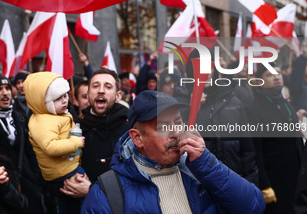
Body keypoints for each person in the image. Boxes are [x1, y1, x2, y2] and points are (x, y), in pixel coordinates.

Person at [81, 90, 266, 213]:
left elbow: (254, 207)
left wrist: (207, 163)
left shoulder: (199, 171)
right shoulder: (107, 192)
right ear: (137, 138)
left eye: (178, 122)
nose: (176, 132)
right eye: (163, 126)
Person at [0, 72, 44, 214]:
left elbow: (30, 151)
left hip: (27, 184)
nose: (5, 93)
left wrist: (35, 177)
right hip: (0, 185)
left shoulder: (19, 116)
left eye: (7, 88)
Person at [23, 72, 85, 214]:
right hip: (65, 171)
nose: (64, 101)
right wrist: (75, 142)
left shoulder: (54, 115)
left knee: (67, 204)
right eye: (57, 98)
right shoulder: (43, 121)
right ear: (42, 102)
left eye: (65, 96)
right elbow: (50, 147)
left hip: (65, 166)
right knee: (86, 201)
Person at [247, 62, 304, 214]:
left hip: (296, 176)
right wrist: (264, 185)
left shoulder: (286, 104)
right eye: (270, 74)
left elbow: (296, 139)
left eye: (278, 73)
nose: (276, 77)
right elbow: (255, 151)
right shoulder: (253, 109)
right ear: (259, 81)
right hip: (274, 179)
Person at [196, 67, 259, 185]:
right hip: (200, 184)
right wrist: (192, 109)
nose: (205, 72)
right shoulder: (182, 102)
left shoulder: (233, 101)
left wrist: (249, 182)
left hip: (233, 180)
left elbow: (247, 148)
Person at [79, 68, 129, 183]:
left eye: (108, 87)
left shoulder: (129, 132)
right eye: (95, 86)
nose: (101, 91)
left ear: (118, 96)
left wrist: (91, 190)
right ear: (88, 94)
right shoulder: (75, 129)